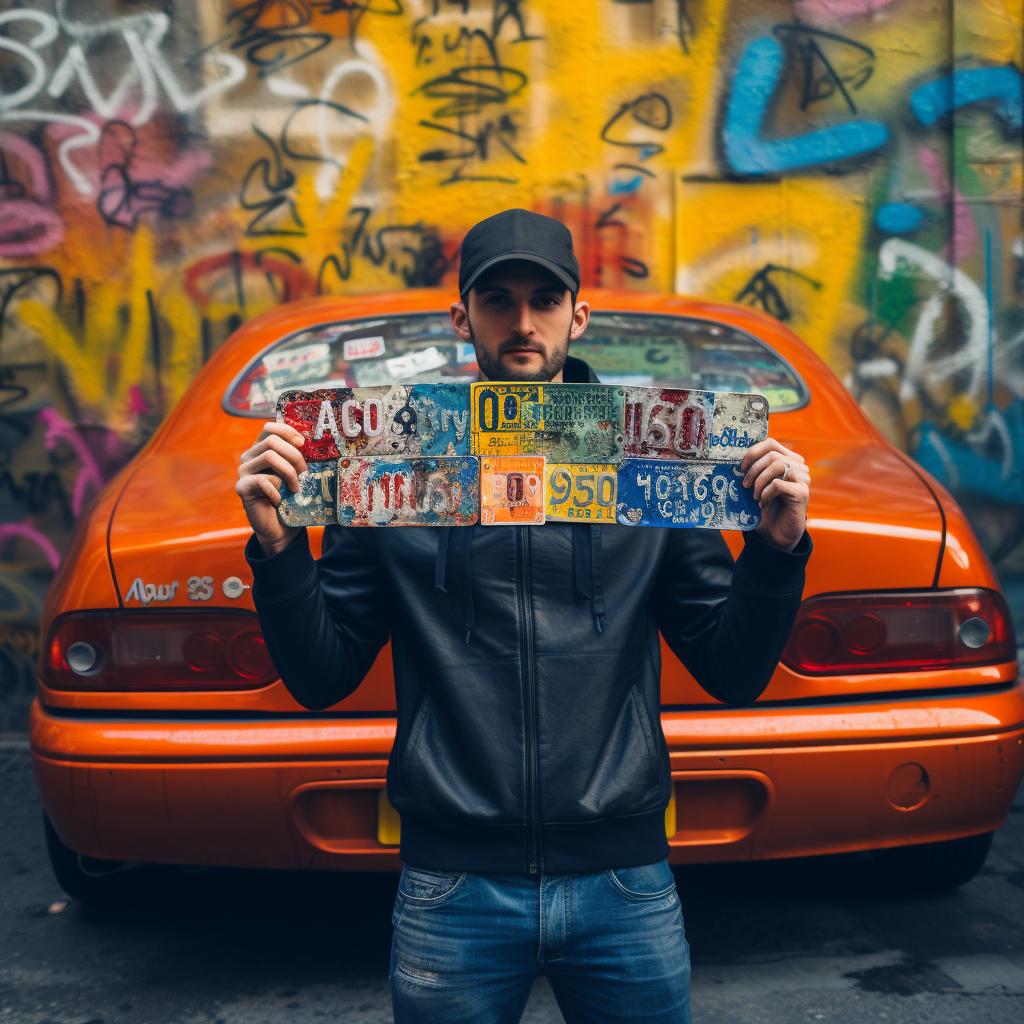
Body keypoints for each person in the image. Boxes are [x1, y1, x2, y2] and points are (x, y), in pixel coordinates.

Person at [235, 209, 812, 1023]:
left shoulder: (654, 462)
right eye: (497, 300)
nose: (523, 322)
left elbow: (732, 671)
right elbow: (322, 677)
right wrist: (279, 549)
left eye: (546, 300)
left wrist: (779, 551)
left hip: (623, 881)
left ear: (580, 315)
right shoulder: (386, 468)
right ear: (461, 316)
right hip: (453, 888)